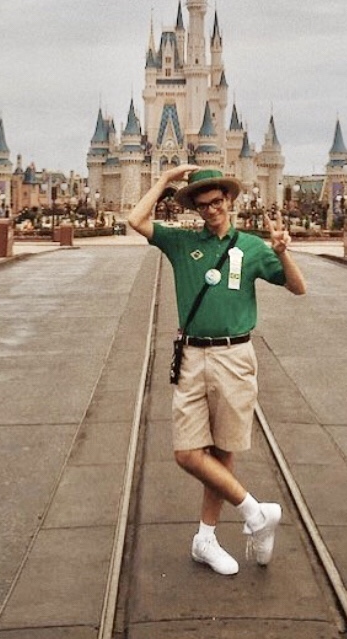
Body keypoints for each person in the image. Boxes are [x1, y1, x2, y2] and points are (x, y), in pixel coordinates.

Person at [128, 165, 306, 575]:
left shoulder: (253, 247)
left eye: (217, 202)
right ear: (193, 207)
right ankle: (255, 513)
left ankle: (205, 539)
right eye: (202, 204)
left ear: (229, 202)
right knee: (188, 453)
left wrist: (282, 252)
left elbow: (298, 287)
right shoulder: (180, 242)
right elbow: (135, 220)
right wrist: (164, 180)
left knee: (223, 452)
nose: (211, 210)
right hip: (192, 357)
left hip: (235, 357)